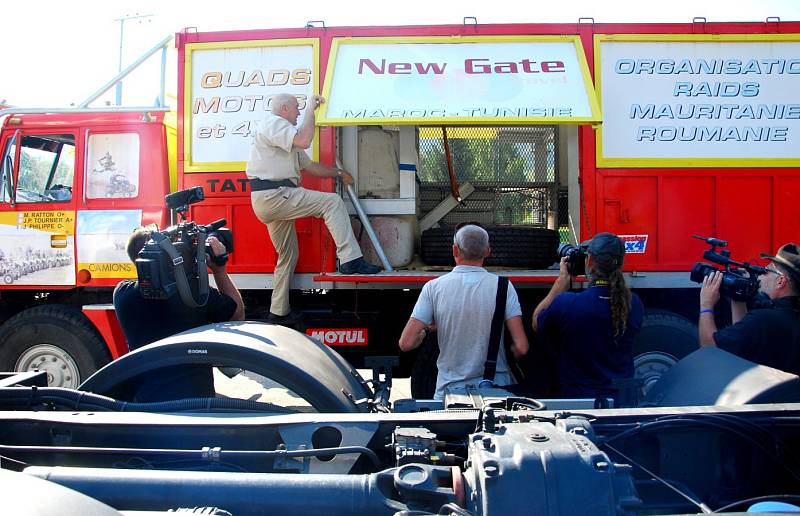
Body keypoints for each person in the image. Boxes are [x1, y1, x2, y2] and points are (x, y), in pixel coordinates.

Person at [246, 92, 381, 324]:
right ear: (285, 108)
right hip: (275, 195)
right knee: (332, 202)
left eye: (301, 109)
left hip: (271, 198)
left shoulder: (283, 137)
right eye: (296, 108)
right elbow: (304, 140)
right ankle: (350, 260)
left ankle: (278, 312)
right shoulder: (274, 123)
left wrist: (339, 173)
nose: (299, 113)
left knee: (288, 254)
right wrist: (311, 108)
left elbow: (311, 167)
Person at [113, 225, 245, 400]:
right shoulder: (193, 294)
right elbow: (237, 314)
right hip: (194, 403)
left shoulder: (123, 294)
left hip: (145, 402)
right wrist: (219, 268)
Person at [398, 224, 529, 399]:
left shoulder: (433, 288)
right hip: (496, 391)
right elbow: (522, 346)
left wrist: (426, 331)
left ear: (454, 250)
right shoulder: (504, 287)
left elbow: (406, 343)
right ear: (488, 251)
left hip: (448, 392)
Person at [533, 232, 644, 399]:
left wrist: (561, 281)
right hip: (620, 402)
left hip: (578, 401)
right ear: (620, 264)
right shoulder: (634, 304)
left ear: (590, 261)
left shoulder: (567, 304)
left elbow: (536, 322)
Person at [699, 242, 800, 375]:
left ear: (781, 281)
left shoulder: (763, 320)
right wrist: (738, 300)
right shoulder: (785, 317)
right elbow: (742, 343)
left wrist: (706, 304)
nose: (762, 275)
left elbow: (710, 348)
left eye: (768, 269)